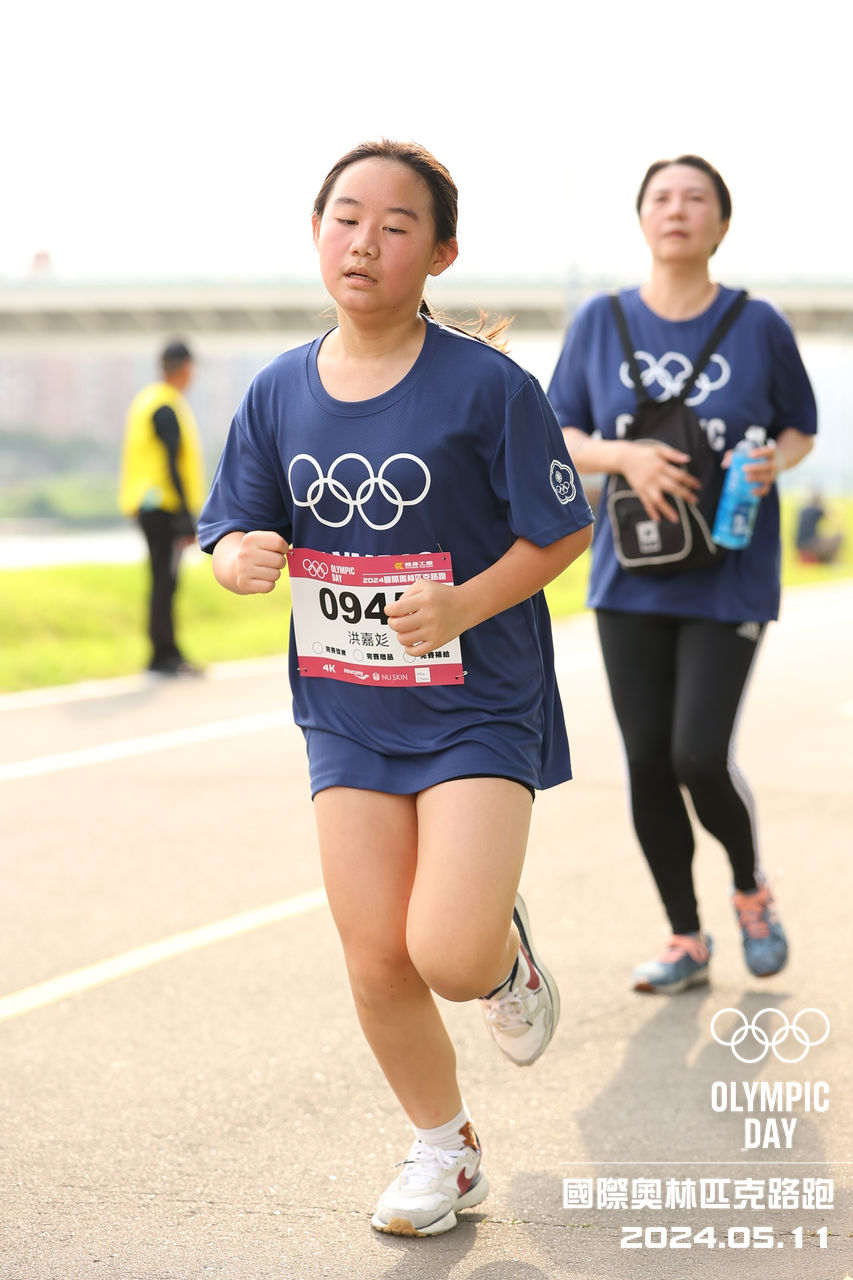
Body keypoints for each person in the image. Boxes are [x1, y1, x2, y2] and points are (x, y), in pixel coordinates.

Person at [198, 139, 594, 1236]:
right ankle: (444, 1150)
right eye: (345, 217)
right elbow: (231, 523)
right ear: (316, 232)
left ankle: (502, 958)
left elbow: (561, 529)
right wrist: (235, 557)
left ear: (441, 253)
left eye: (395, 224)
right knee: (376, 954)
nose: (363, 242)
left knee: (449, 954)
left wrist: (463, 604)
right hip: (348, 707)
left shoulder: (488, 386)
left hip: (477, 699)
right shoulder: (278, 389)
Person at [547, 154, 817, 995]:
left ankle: (749, 888)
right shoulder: (599, 321)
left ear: (720, 223)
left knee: (697, 754)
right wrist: (623, 455)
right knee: (646, 763)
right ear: (641, 219)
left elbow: (798, 427)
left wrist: (773, 462)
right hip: (628, 576)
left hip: (729, 574)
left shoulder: (757, 323)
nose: (676, 209)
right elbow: (560, 434)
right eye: (660, 197)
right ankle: (684, 938)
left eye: (695, 198)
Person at [119, 340, 206, 675]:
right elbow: (172, 463)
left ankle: (164, 652)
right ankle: (164, 655)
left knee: (161, 579)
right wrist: (185, 518)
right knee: (165, 581)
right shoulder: (166, 406)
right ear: (184, 367)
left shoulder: (147, 401)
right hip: (164, 508)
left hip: (148, 505)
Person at [795, 489, 843, 564]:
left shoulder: (803, 510)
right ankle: (830, 561)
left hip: (799, 544)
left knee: (824, 537)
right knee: (838, 537)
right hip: (810, 543)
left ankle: (824, 560)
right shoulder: (817, 509)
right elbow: (833, 519)